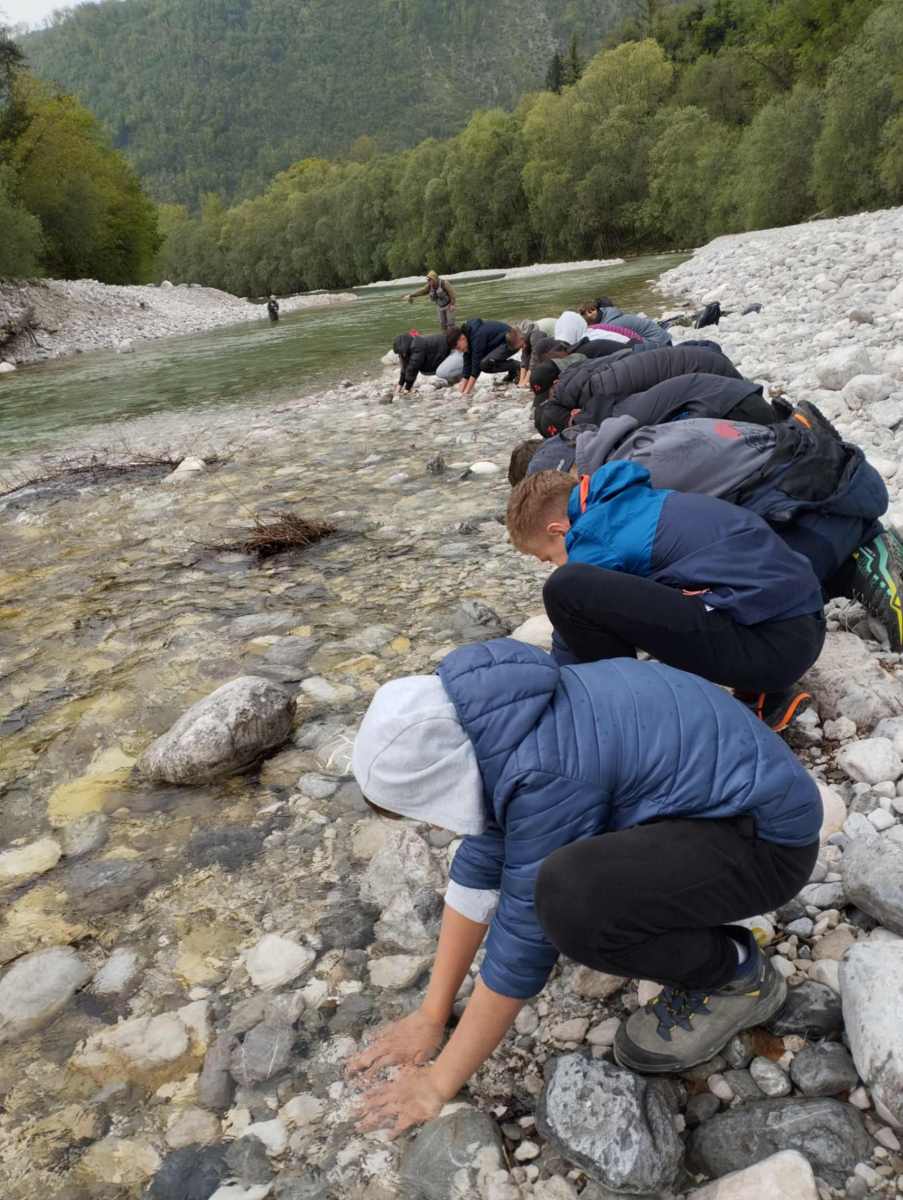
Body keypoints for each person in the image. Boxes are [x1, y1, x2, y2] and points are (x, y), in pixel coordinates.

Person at [347, 638, 822, 1136]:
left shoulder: (543, 771)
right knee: (561, 881)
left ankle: (735, 975)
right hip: (723, 805)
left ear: (440, 776)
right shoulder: (497, 720)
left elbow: (522, 942)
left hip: (768, 845)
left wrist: (436, 1084)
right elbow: (482, 861)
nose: (434, 822)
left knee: (572, 901)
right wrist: (432, 1012)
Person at [507, 405, 903, 650]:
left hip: (831, 505)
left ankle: (863, 558)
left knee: (753, 602)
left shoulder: (638, 482)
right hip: (829, 482)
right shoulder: (627, 453)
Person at [507, 465, 827, 729]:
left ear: (557, 530)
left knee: (566, 588)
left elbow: (570, 635)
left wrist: (549, 704)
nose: (551, 564)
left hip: (771, 648)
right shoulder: (627, 502)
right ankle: (762, 694)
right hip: (801, 624)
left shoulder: (596, 538)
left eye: (547, 557)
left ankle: (628, 719)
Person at [530, 348, 777, 437]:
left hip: (718, 381)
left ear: (575, 411)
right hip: (707, 364)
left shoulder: (604, 394)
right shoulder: (586, 377)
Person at [580, 298, 672, 347]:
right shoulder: (611, 315)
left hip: (661, 344)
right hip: (663, 339)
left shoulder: (613, 324)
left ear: (591, 311)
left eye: (587, 322)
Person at [393, 327, 463, 392]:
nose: (402, 355)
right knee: (433, 372)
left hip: (452, 351)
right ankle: (455, 376)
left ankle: (462, 375)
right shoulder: (411, 347)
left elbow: (412, 369)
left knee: (441, 372)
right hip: (444, 352)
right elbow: (405, 368)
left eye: (401, 353)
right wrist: (400, 385)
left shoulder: (417, 346)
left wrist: (407, 389)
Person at [455, 318, 514, 395]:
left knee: (485, 364)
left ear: (462, 338)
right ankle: (514, 372)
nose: (459, 351)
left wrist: (466, 393)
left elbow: (476, 368)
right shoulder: (468, 337)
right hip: (500, 344)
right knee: (484, 362)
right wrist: (460, 392)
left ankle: (516, 366)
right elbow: (467, 367)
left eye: (458, 347)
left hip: (512, 340)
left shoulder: (477, 336)